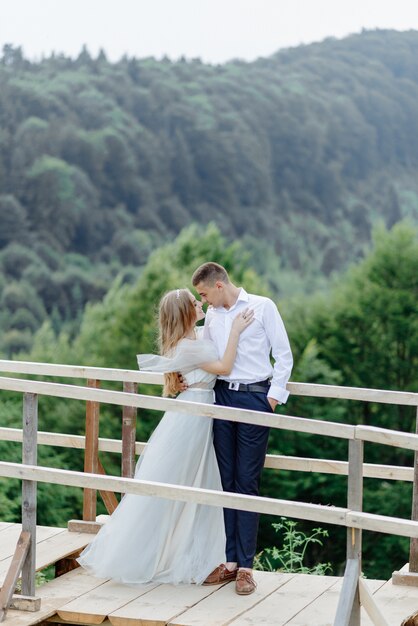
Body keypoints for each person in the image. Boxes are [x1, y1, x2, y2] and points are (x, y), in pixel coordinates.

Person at [77, 288, 254, 586]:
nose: (200, 304)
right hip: (194, 417)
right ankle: (165, 554)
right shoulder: (186, 347)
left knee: (203, 482)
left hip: (202, 410)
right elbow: (224, 367)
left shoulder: (192, 338)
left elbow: (208, 341)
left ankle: (207, 554)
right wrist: (236, 330)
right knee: (184, 484)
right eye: (194, 302)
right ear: (184, 312)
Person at [191, 262, 293, 595]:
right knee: (226, 480)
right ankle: (230, 562)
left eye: (204, 294)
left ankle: (246, 567)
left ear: (219, 285)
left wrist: (272, 400)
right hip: (221, 398)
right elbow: (200, 352)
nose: (203, 302)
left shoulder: (263, 307)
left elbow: (283, 355)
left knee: (247, 482)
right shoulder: (215, 317)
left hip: (254, 399)